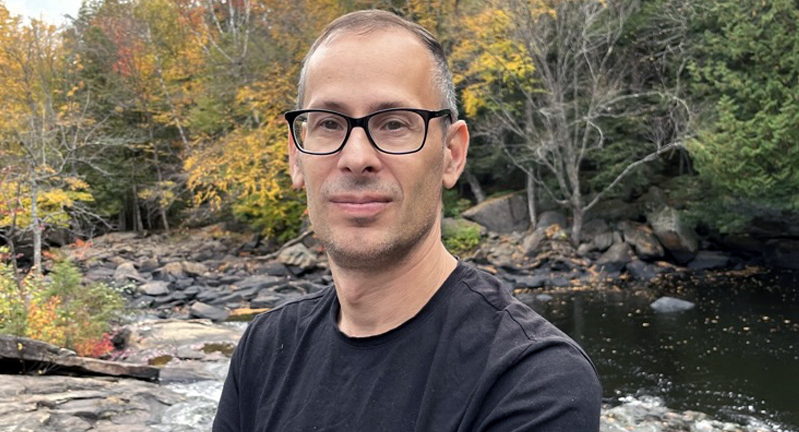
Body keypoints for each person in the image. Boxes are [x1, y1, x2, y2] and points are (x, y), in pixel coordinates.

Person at [213, 9, 602, 432]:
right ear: (295, 155)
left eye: (394, 123)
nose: (356, 158)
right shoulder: (265, 348)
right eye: (328, 123)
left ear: (451, 154)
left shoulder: (531, 380)